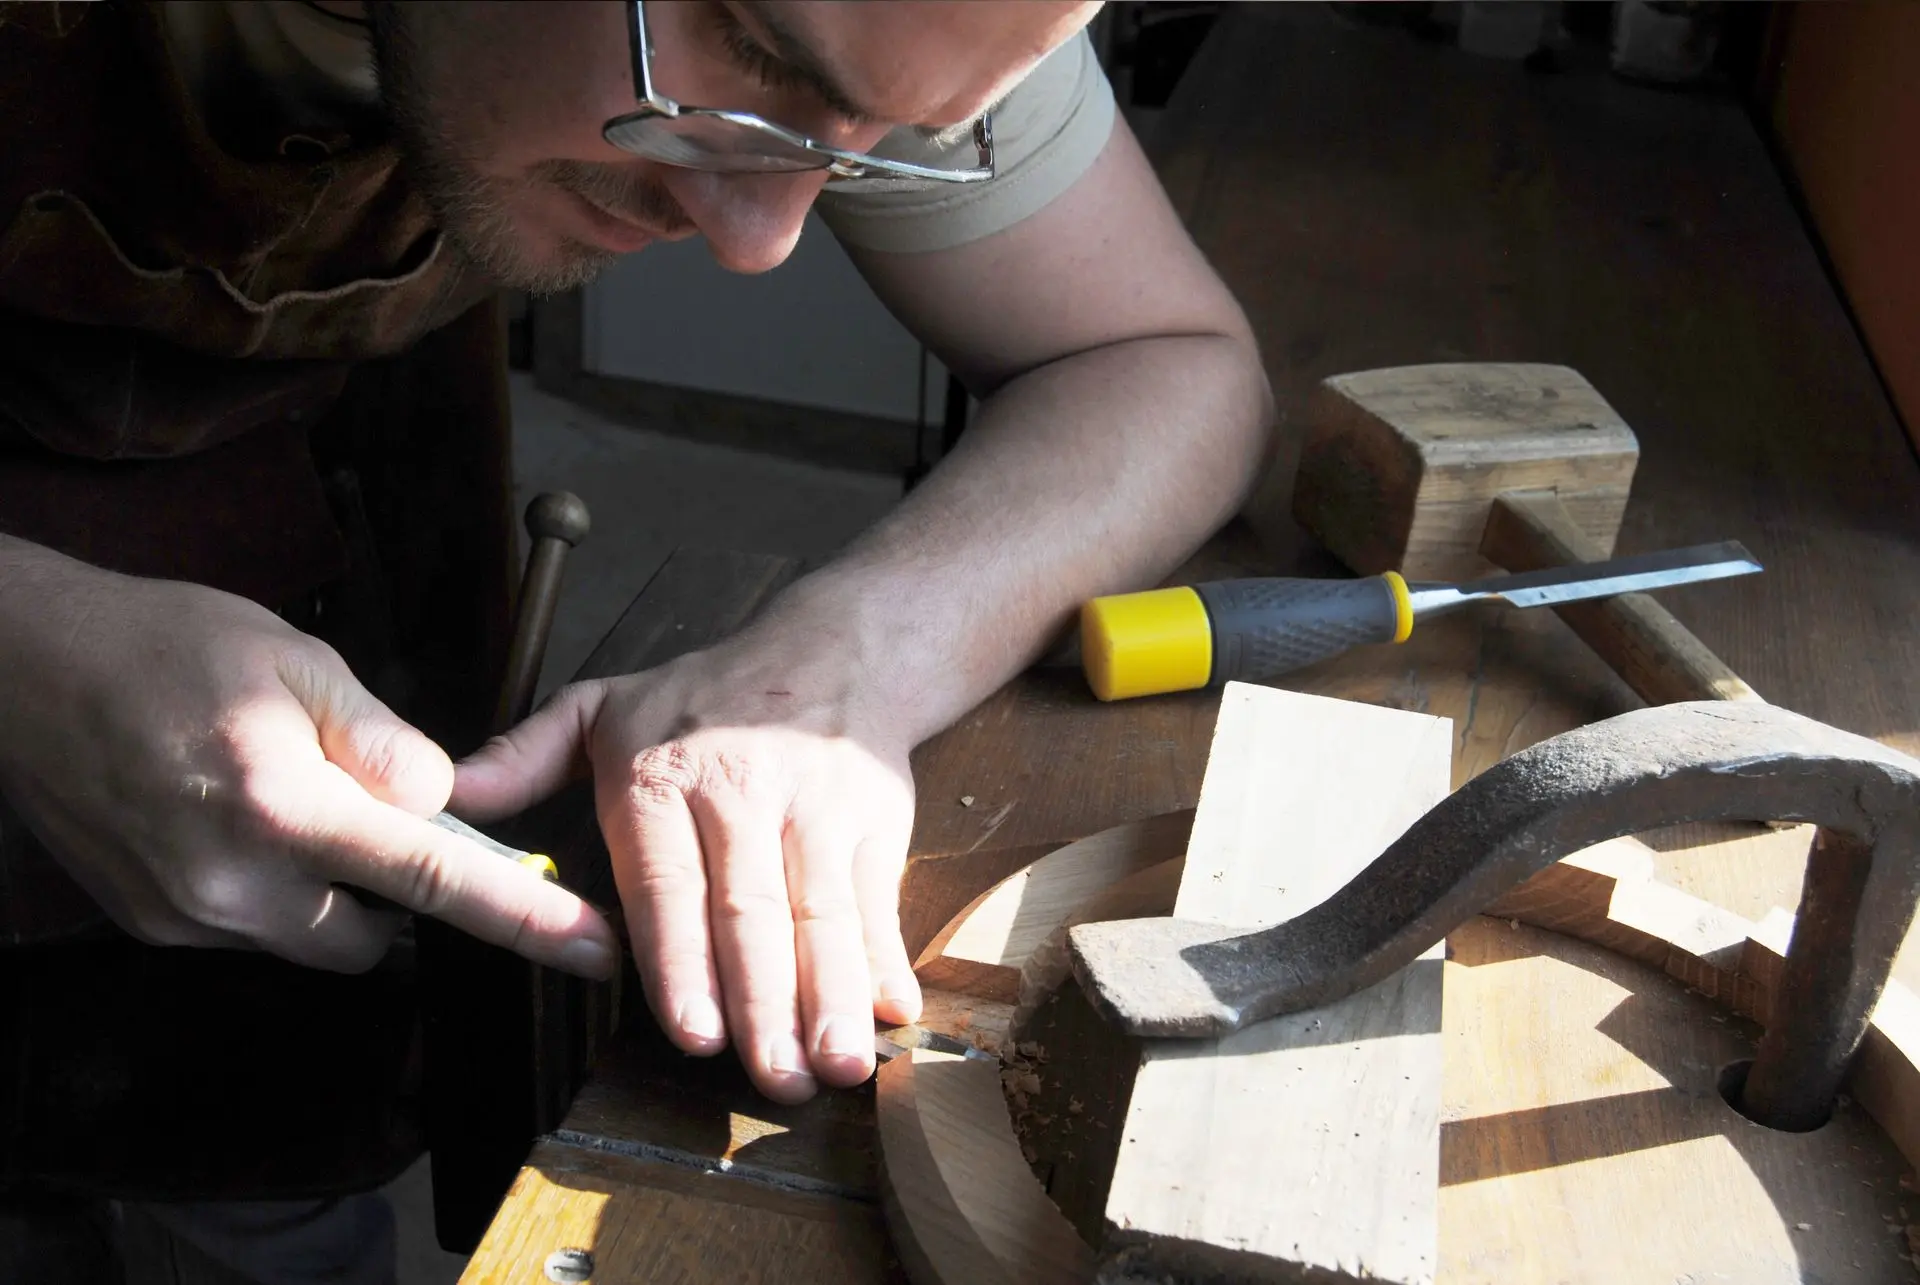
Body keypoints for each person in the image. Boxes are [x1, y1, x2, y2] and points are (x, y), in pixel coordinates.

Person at [0, 1, 1271, 1278]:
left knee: (246, 1163)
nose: (762, 236)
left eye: (881, 139)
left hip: (315, 603)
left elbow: (1165, 359)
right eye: (762, 71)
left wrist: (834, 667)